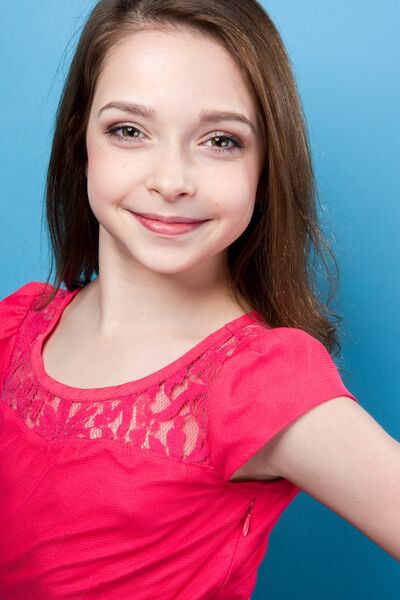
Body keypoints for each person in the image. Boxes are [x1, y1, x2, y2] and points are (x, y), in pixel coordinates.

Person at [0, 0, 398, 598]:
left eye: (220, 140)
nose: (171, 180)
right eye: (129, 131)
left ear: (267, 166)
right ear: (81, 139)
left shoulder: (259, 379)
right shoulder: (17, 325)